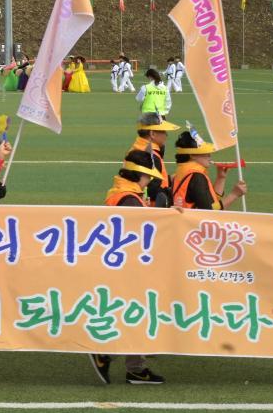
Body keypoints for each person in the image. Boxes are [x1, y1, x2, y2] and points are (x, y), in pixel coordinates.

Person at [88, 149, 167, 386]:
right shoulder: (130, 198)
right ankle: (108, 354)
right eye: (148, 177)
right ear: (139, 175)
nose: (150, 181)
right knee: (138, 316)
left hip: (120, 263)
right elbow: (140, 232)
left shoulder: (122, 192)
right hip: (131, 267)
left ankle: (135, 367)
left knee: (136, 316)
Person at [169, 130, 246, 210]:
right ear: (192, 155)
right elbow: (211, 210)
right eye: (205, 153)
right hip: (195, 221)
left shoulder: (181, 171)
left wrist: (221, 178)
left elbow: (211, 201)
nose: (210, 156)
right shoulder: (197, 177)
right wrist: (234, 195)